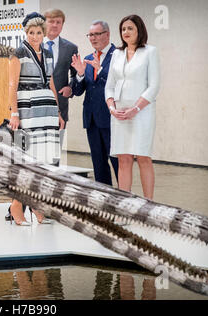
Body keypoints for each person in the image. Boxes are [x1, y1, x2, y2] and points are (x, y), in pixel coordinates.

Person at [8, 12, 64, 226]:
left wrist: (57, 112)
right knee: (26, 161)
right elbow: (12, 85)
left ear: (44, 33)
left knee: (44, 161)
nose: (35, 36)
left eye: (38, 32)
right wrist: (14, 113)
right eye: (31, 32)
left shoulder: (49, 53)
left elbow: (51, 84)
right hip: (27, 110)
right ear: (26, 32)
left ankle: (37, 205)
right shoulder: (18, 52)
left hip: (47, 110)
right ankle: (16, 205)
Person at [104, 15, 160, 199]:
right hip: (119, 113)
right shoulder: (116, 54)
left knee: (143, 157)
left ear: (139, 30)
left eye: (130, 28)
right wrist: (112, 109)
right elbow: (109, 86)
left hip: (141, 112)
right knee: (123, 158)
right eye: (123, 29)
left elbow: (154, 86)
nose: (126, 32)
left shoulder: (150, 52)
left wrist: (135, 109)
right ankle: (124, 206)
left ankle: (149, 204)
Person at [71, 20, 119, 186]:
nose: (92, 38)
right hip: (92, 119)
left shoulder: (118, 55)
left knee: (118, 162)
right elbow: (78, 91)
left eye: (96, 34)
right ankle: (105, 201)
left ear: (107, 34)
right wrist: (80, 74)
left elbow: (118, 85)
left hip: (111, 117)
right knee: (99, 164)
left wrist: (100, 70)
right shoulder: (88, 58)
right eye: (90, 35)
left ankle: (124, 200)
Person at [43, 8, 78, 144]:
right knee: (33, 155)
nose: (55, 25)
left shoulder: (71, 48)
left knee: (55, 153)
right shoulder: (33, 46)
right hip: (35, 107)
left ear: (62, 25)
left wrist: (70, 88)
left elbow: (75, 76)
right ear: (44, 23)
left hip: (60, 107)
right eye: (51, 21)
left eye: (58, 22)